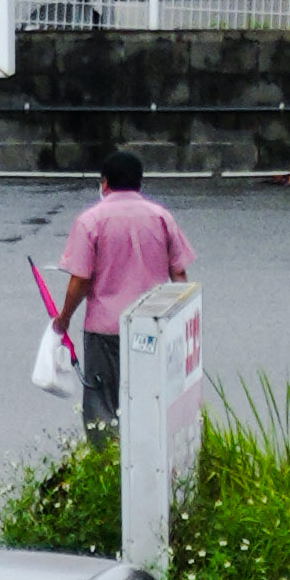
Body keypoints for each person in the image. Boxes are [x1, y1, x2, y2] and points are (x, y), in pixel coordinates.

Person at [55, 149, 192, 441]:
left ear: (105, 184)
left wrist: (63, 319)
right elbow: (179, 274)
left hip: (104, 329)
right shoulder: (161, 217)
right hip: (152, 326)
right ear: (140, 183)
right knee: (149, 398)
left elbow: (80, 280)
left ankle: (108, 467)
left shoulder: (90, 221)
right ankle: (145, 458)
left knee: (102, 402)